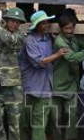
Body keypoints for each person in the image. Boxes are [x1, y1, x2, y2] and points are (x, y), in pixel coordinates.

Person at [20, 10, 68, 140]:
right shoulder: (30, 40)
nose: (46, 25)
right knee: (24, 122)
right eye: (43, 23)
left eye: (47, 22)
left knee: (39, 122)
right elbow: (38, 62)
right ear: (36, 26)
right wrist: (57, 54)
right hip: (30, 87)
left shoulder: (49, 39)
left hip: (46, 87)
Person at [0, 8, 27, 140]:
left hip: (12, 85)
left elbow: (8, 39)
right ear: (6, 21)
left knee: (15, 123)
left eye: (18, 22)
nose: (15, 24)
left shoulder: (19, 36)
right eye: (12, 21)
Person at [52, 14, 84, 140]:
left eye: (71, 28)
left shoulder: (74, 39)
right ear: (61, 28)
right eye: (66, 28)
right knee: (56, 116)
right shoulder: (59, 41)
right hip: (57, 84)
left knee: (72, 115)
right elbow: (72, 58)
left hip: (72, 83)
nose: (69, 31)